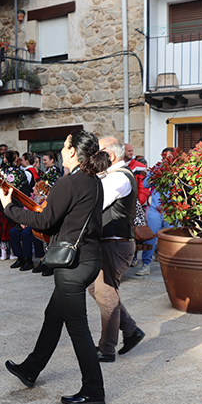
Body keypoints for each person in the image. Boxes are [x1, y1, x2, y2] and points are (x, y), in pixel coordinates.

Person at [1, 130, 110, 404]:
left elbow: (45, 222)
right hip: (88, 260)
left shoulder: (70, 182)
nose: (61, 151)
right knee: (53, 316)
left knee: (78, 330)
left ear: (72, 151)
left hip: (72, 265)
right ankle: (30, 369)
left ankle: (94, 391)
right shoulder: (93, 181)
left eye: (64, 146)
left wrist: (9, 207)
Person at [89, 136, 145, 363]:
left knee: (106, 295)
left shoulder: (117, 178)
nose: (93, 157)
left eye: (97, 152)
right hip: (111, 243)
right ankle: (130, 330)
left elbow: (94, 205)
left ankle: (107, 349)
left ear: (109, 155)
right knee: (98, 290)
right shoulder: (112, 176)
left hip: (114, 244)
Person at [138, 148, 174, 276]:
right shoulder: (157, 168)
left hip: (171, 211)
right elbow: (145, 184)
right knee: (150, 238)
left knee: (172, 239)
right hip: (155, 211)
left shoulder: (179, 170)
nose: (166, 160)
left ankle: (173, 266)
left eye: (169, 157)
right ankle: (146, 265)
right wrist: (155, 173)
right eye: (164, 157)